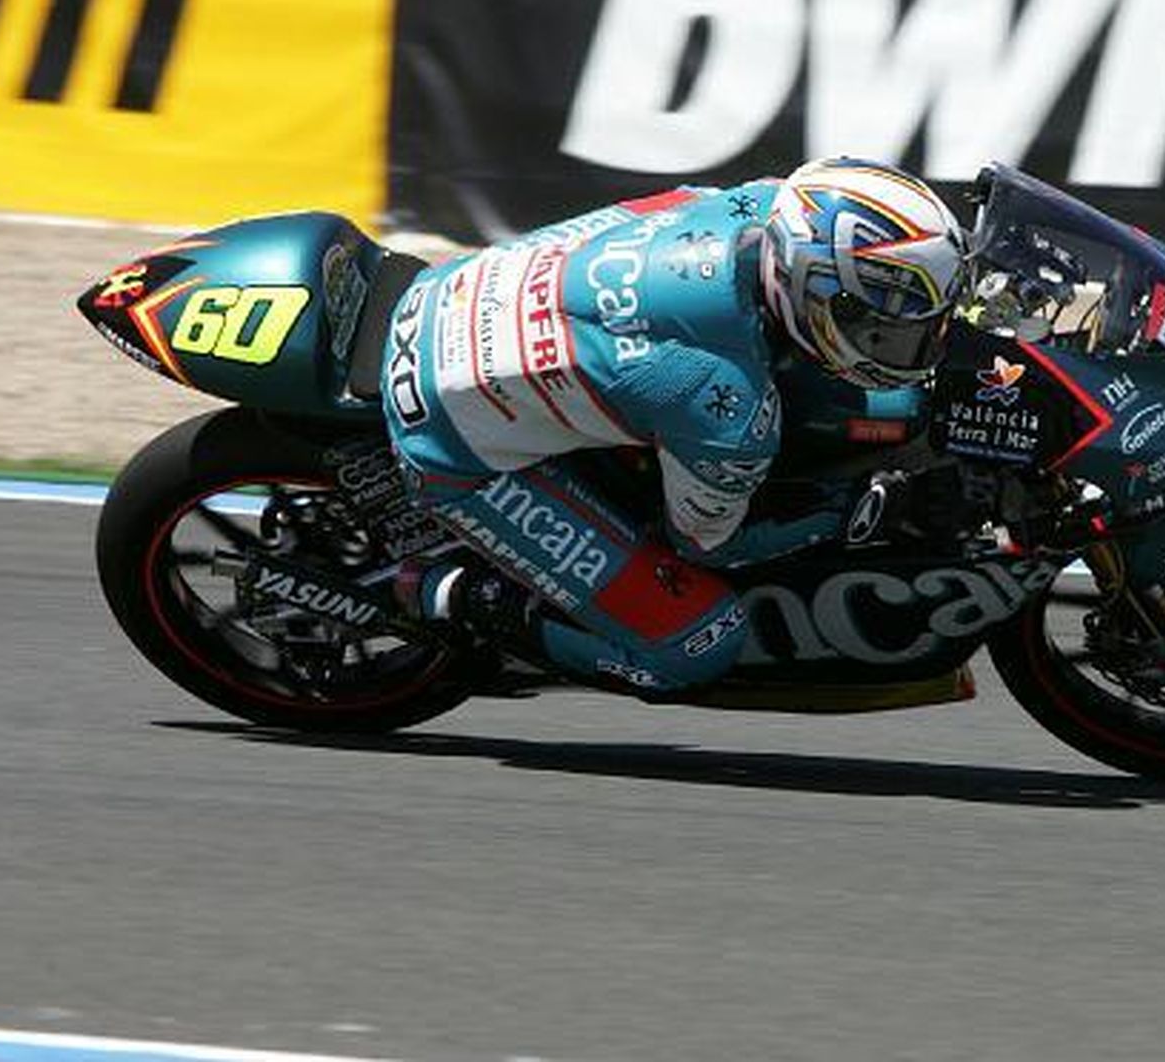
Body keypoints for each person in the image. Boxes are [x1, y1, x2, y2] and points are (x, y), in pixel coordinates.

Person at [383, 157, 969, 692]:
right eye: (883, 327)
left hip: (446, 291)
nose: (909, 344)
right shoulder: (725, 399)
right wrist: (845, 511)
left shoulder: (758, 203)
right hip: (449, 441)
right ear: (813, 291)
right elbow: (708, 545)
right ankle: (463, 597)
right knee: (696, 644)